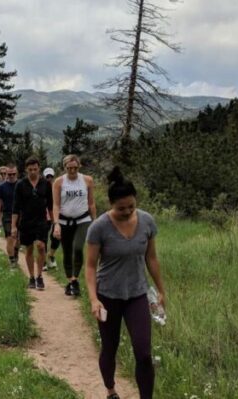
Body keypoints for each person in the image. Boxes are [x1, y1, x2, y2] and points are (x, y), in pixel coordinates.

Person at [84, 167, 166, 399]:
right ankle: (110, 390)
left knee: (143, 353)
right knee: (110, 349)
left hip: (137, 294)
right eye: (121, 208)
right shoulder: (99, 227)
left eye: (131, 206)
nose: (128, 211)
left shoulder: (147, 221)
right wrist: (93, 299)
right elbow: (90, 267)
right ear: (110, 204)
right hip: (108, 295)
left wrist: (161, 290)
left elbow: (151, 258)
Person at [52, 155, 96, 296]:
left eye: (75, 168)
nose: (72, 171)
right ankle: (71, 281)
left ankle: (75, 278)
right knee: (67, 251)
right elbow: (56, 204)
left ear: (79, 166)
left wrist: (95, 222)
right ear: (64, 167)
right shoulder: (59, 182)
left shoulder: (87, 180)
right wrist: (56, 223)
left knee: (77, 248)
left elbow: (91, 203)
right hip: (65, 221)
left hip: (83, 219)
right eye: (69, 168)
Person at [12, 157, 53, 290]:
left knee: (41, 246)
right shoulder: (20, 184)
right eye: (30, 170)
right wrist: (13, 226)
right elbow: (16, 207)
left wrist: (54, 222)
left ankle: (39, 276)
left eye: (35, 169)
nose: (33, 172)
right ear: (26, 170)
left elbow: (51, 204)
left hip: (41, 220)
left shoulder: (46, 184)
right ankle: (31, 277)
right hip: (26, 221)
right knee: (29, 249)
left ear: (39, 168)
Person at [0, 164, 20, 268]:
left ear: (16, 173)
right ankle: (12, 260)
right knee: (10, 238)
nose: (11, 176)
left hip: (21, 215)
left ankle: (16, 251)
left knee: (18, 240)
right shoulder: (2, 187)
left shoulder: (21, 184)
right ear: (6, 174)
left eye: (13, 174)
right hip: (7, 215)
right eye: (9, 174)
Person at [42, 167, 60, 271]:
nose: (49, 178)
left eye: (51, 176)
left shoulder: (57, 187)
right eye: (47, 176)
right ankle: (44, 261)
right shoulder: (41, 188)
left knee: (56, 238)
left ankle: (51, 256)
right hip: (44, 216)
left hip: (56, 216)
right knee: (44, 238)